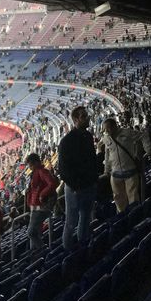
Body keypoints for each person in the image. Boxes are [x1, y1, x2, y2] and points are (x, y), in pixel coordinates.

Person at [58, 106, 103, 249]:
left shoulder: (88, 136)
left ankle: (82, 248)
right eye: (84, 116)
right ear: (76, 120)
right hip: (75, 190)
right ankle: (68, 252)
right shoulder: (66, 141)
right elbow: (63, 170)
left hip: (89, 186)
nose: (88, 118)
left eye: (87, 115)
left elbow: (91, 160)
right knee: (71, 223)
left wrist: (94, 179)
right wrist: (76, 187)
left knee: (85, 218)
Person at [99, 118, 146, 212]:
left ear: (114, 126)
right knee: (119, 201)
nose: (106, 131)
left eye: (108, 128)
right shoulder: (106, 138)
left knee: (133, 199)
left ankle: (135, 218)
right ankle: (123, 219)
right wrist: (106, 171)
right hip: (115, 174)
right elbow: (107, 155)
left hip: (130, 172)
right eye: (105, 129)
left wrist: (148, 150)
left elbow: (143, 136)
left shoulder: (127, 133)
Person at [25, 153, 59, 251]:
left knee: (31, 232)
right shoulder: (37, 172)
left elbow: (52, 183)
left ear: (36, 162)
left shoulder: (41, 171)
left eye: (31, 165)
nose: (30, 168)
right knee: (36, 231)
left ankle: (42, 250)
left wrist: (42, 195)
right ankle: (35, 254)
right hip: (36, 206)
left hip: (40, 207)